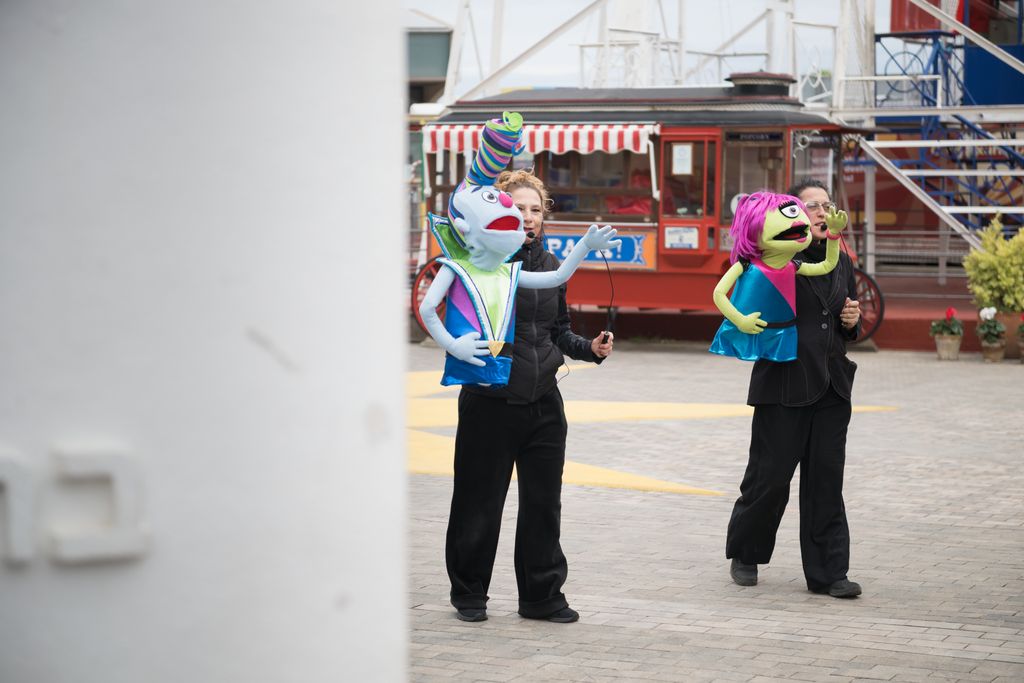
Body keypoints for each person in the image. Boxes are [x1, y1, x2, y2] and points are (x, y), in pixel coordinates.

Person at [445, 169, 614, 623]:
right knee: (478, 503)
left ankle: (541, 596)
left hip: (544, 401)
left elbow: (558, 330)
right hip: (490, 400)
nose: (528, 216)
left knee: (543, 505)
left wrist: (590, 349)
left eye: (536, 209)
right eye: (518, 207)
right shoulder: (481, 263)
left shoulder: (552, 265)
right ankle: (469, 593)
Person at [725, 178, 863, 598]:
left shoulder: (841, 262)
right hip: (783, 383)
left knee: (826, 481)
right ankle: (746, 551)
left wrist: (851, 321)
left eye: (826, 204)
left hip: (832, 385)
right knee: (769, 478)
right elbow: (743, 308)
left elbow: (844, 318)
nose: (821, 212)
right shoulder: (773, 260)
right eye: (811, 206)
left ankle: (829, 572)